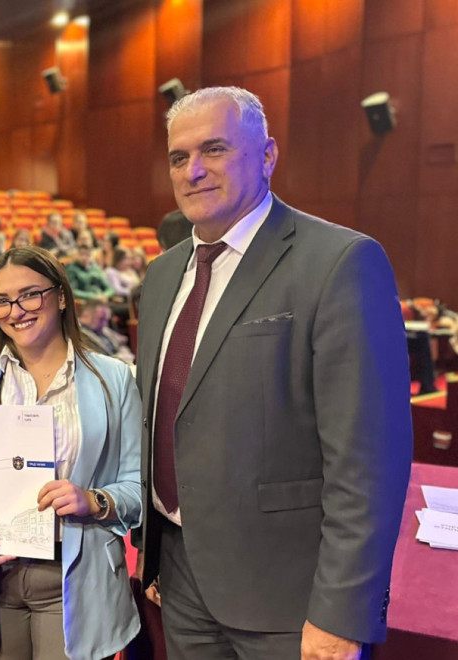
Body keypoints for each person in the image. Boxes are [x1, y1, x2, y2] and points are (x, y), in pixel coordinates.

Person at [134, 86, 411, 660]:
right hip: (183, 581)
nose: (193, 170)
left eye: (214, 149)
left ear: (266, 156)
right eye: (179, 157)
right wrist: (157, 553)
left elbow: (368, 461)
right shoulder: (161, 278)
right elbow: (168, 418)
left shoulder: (338, 262)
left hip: (290, 598)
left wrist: (342, 612)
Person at [0, 245, 142, 660]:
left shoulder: (115, 379)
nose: (15, 310)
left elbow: (136, 486)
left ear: (60, 296)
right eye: (1, 300)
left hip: (73, 576)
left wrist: (91, 500)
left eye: (29, 294)